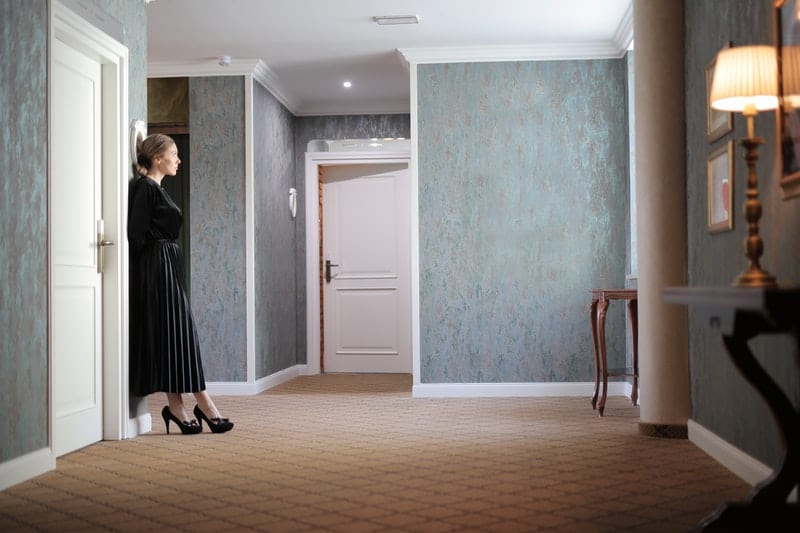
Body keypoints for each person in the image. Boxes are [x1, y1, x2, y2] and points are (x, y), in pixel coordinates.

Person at [128, 133, 233, 435]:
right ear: (158, 158)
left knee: (175, 336)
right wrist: (157, 261)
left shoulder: (156, 189)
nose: (178, 159)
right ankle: (204, 404)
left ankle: (177, 407)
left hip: (165, 267)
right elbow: (135, 236)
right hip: (156, 271)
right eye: (173, 154)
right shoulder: (146, 188)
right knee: (179, 334)